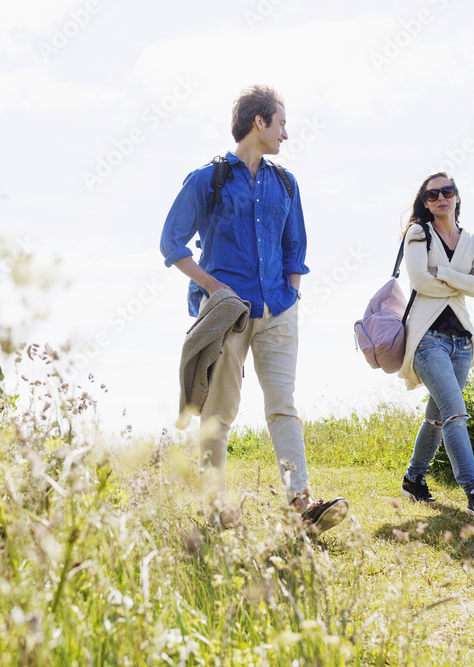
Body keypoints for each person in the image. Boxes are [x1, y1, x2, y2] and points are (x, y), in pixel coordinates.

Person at [160, 84, 348, 534]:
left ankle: (301, 506)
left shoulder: (285, 181)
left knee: (283, 405)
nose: (286, 133)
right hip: (228, 312)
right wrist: (214, 289)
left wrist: (293, 292)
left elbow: (296, 245)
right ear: (258, 122)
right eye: (280, 123)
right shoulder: (208, 178)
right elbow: (172, 242)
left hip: (279, 309)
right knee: (219, 413)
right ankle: (215, 510)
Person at [398, 173, 474, 517]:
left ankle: (413, 479)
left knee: (438, 417)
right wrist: (463, 282)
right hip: (428, 340)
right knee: (455, 413)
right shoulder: (418, 233)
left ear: (457, 197)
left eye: (448, 191)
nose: (441, 197)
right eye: (432, 194)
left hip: (462, 343)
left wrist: (444, 273)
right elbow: (419, 280)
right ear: (424, 202)